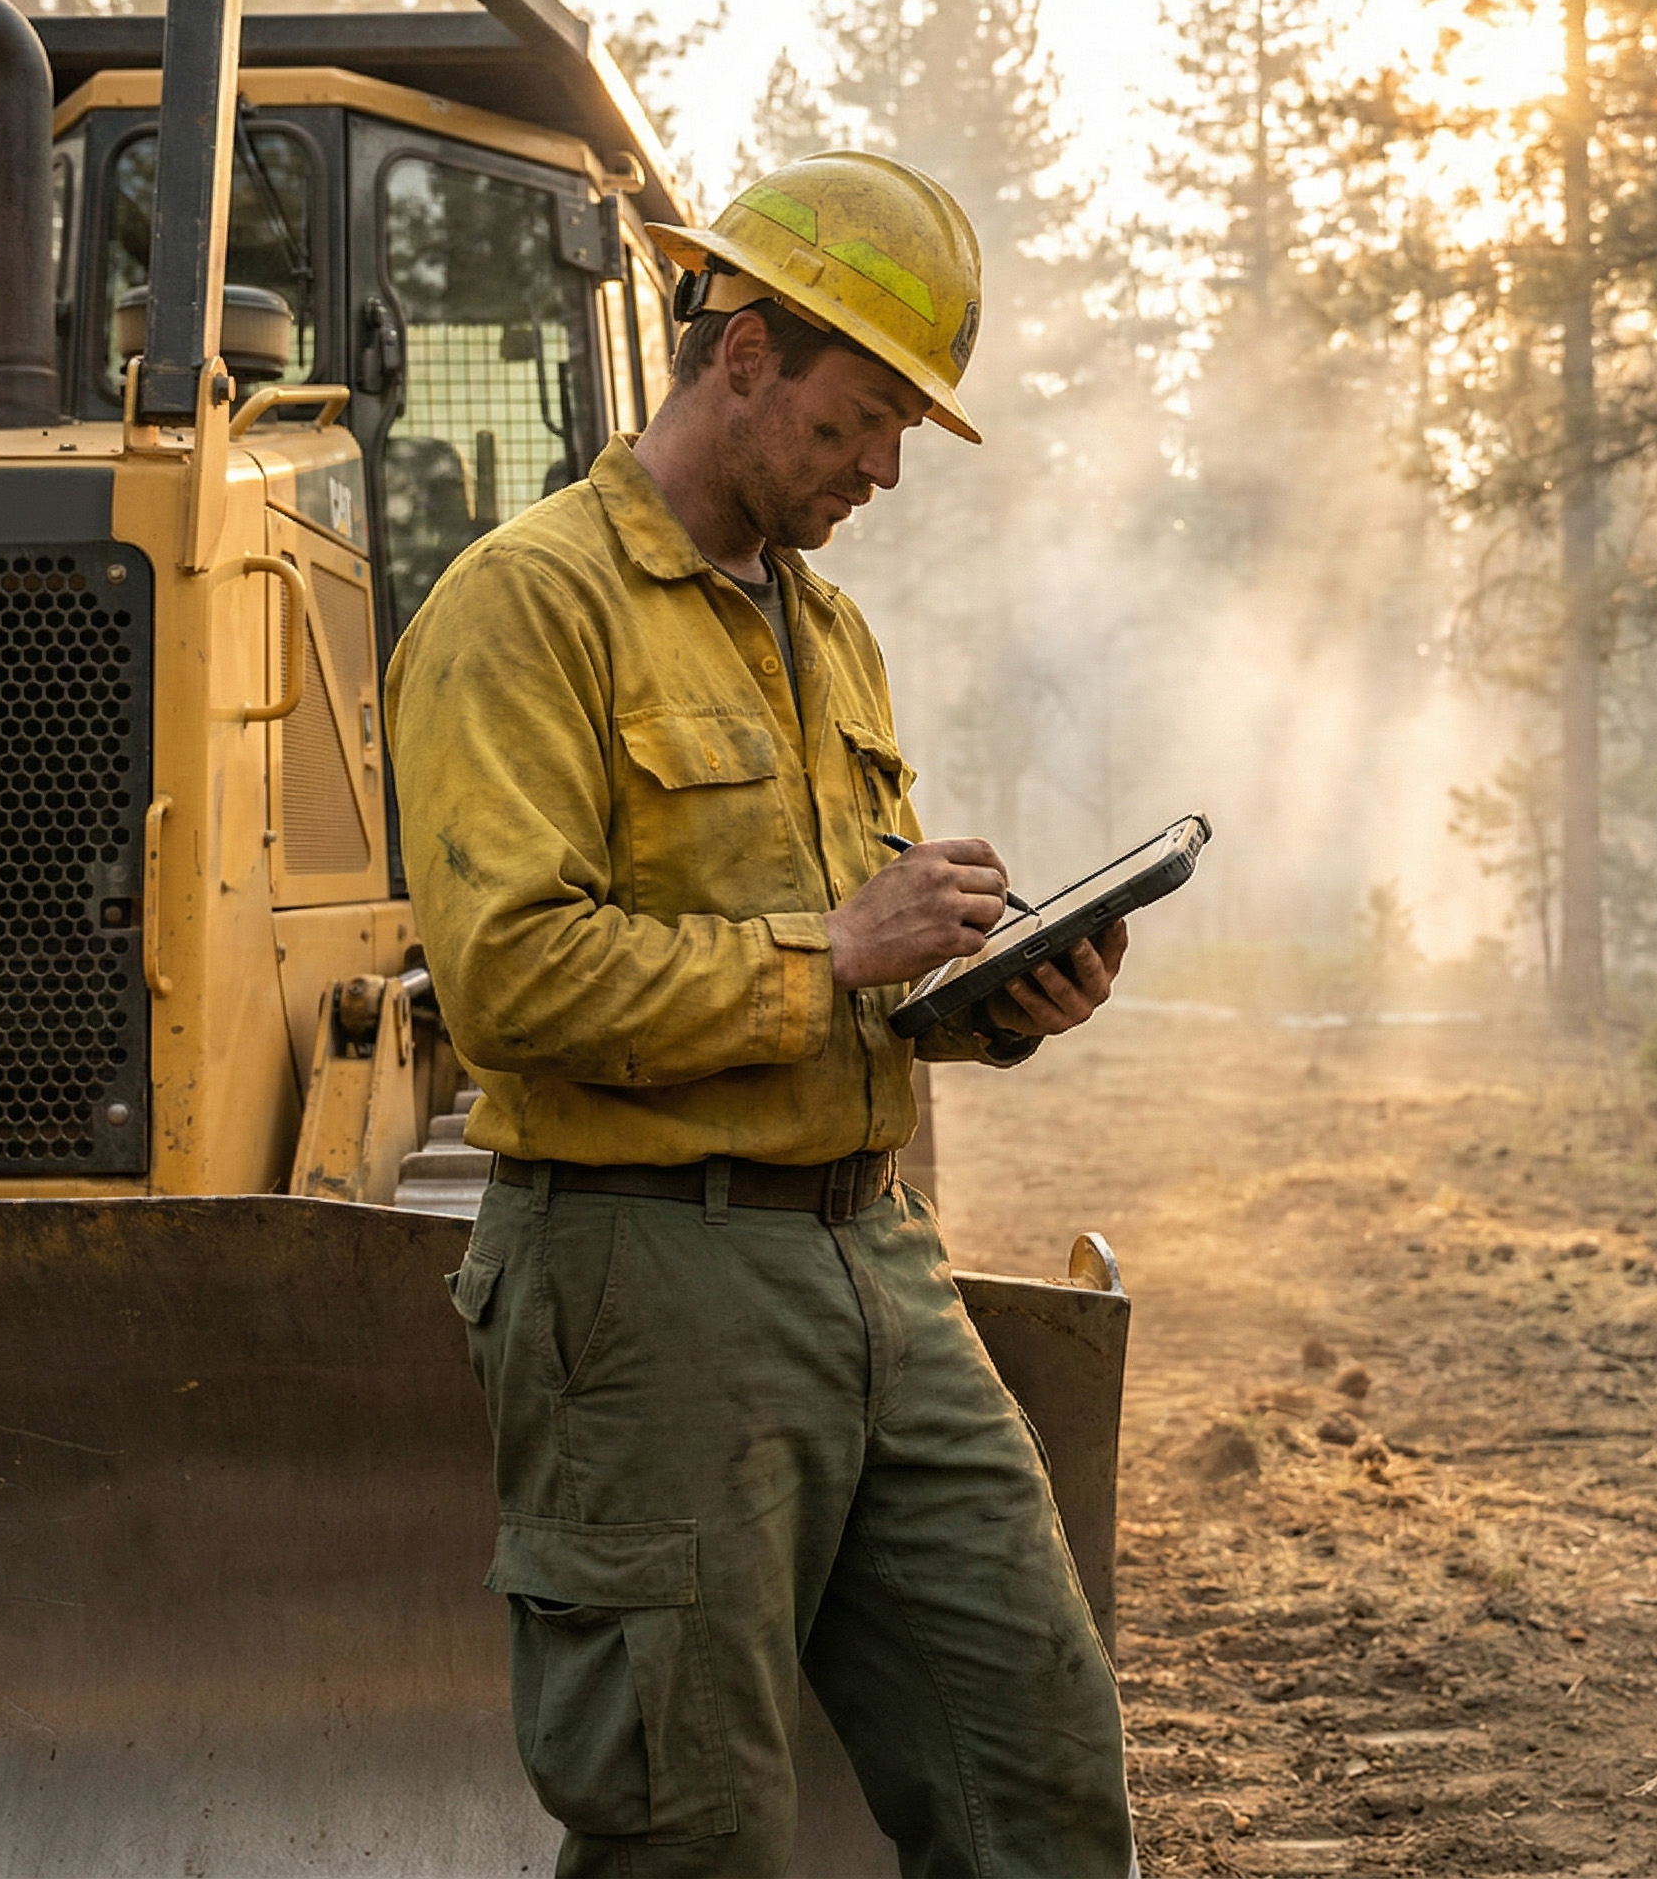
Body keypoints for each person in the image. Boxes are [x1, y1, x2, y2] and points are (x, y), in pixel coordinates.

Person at [385, 151, 1134, 1878]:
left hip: (874, 1262)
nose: (881, 469)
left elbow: (857, 985)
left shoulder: (829, 632)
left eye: (901, 436)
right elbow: (504, 983)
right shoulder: (526, 606)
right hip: (645, 1285)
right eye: (859, 418)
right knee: (690, 1829)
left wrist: (990, 1003)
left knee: (1042, 1771)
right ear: (740, 358)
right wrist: (838, 951)